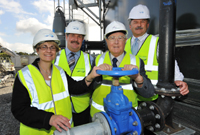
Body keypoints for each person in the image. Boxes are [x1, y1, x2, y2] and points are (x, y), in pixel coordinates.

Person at [11, 29, 101, 135]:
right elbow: (19, 109)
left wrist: (91, 76)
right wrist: (49, 118)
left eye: (52, 47)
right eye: (44, 47)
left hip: (63, 131)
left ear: (56, 50)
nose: (49, 50)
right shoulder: (25, 75)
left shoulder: (60, 72)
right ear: (37, 50)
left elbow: (76, 88)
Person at [90, 21, 155, 117]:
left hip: (128, 118)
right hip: (101, 117)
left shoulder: (136, 61)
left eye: (120, 38)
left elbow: (149, 93)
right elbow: (88, 88)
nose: (116, 42)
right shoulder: (97, 60)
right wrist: (97, 77)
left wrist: (138, 79)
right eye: (112, 38)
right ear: (106, 41)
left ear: (126, 40)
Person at [124, 4, 189, 101]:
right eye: (135, 22)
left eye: (143, 22)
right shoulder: (124, 44)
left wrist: (179, 81)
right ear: (130, 25)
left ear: (147, 25)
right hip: (127, 99)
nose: (139, 25)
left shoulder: (157, 43)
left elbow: (171, 65)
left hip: (150, 100)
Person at [54, 21, 94, 126]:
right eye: (72, 35)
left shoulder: (90, 59)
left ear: (83, 39)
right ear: (66, 36)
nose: (75, 39)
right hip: (59, 110)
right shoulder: (54, 58)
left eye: (79, 36)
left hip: (82, 110)